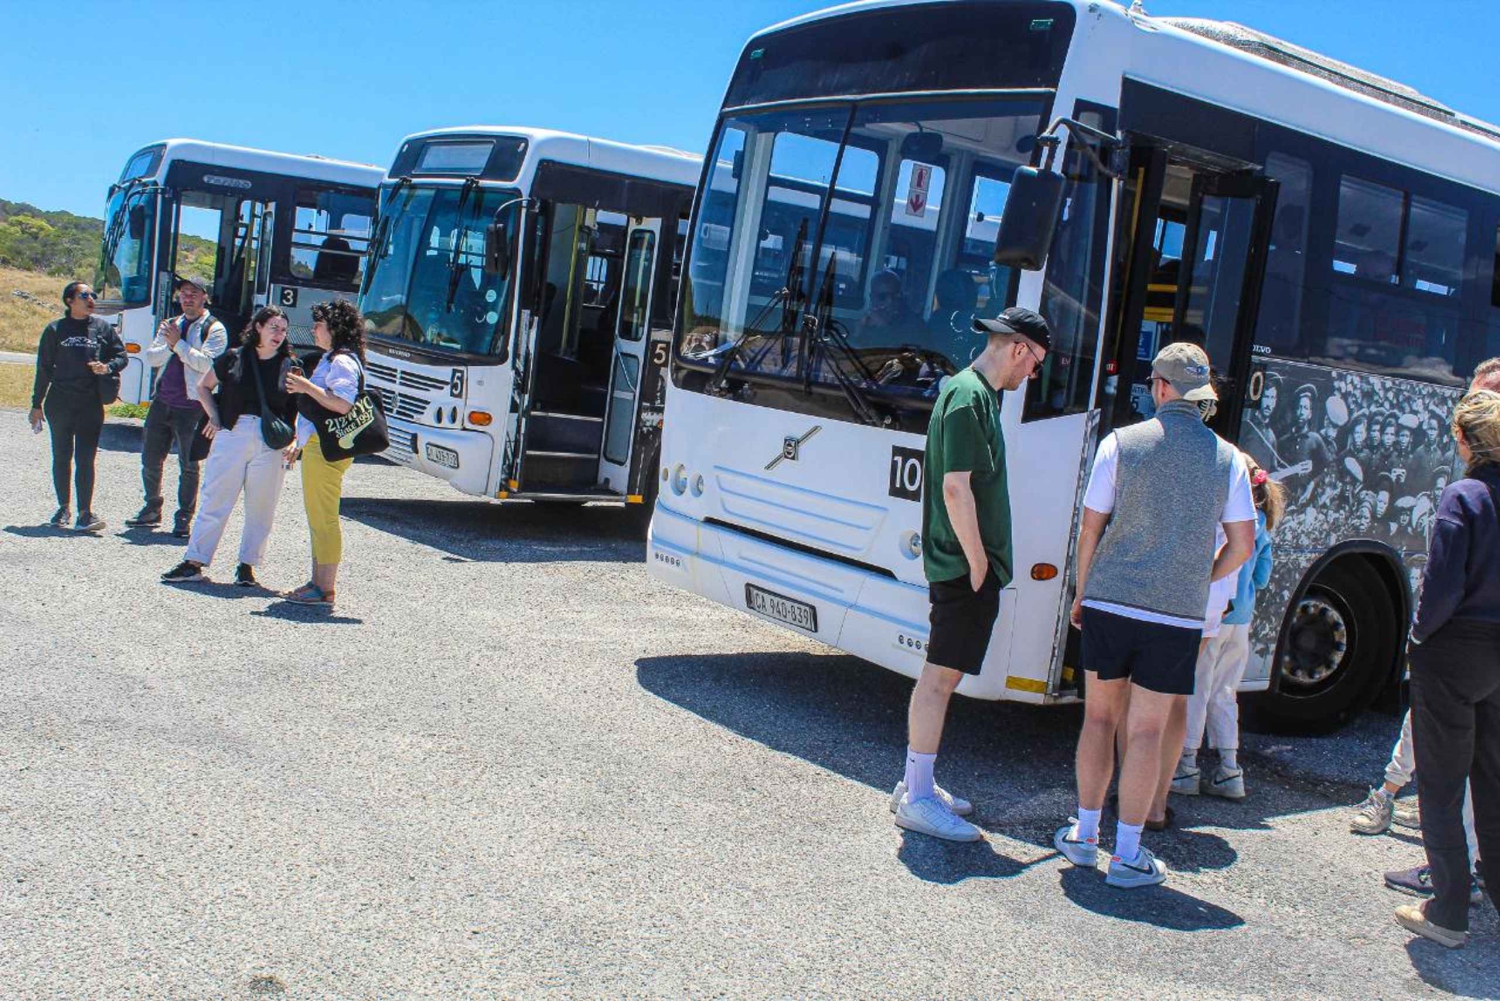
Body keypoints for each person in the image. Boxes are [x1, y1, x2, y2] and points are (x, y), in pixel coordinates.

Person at [1054, 342, 1255, 889]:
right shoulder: (1229, 459)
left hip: (1111, 601)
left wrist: (1083, 591)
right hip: (1176, 615)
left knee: (1099, 720)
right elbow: (1242, 544)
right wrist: (1200, 578)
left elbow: (1090, 526)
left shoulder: (1120, 443)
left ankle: (1084, 836)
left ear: (1161, 389)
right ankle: (1127, 854)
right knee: (1146, 730)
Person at [890, 307, 1050, 841]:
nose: (1033, 375)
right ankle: (916, 798)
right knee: (940, 678)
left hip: (964, 566)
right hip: (963, 568)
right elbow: (955, 487)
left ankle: (916, 782)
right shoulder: (968, 397)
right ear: (1020, 348)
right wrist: (979, 562)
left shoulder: (972, 393)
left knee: (942, 676)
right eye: (1036, 363)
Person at [1393, 389, 1500, 948]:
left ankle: (1448, 911)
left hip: (1455, 648)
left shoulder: (1465, 496)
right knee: (1494, 781)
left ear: (1463, 438)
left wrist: (1417, 637)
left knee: (1440, 783)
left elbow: (1441, 586)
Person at [160, 307, 300, 588]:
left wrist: (295, 440)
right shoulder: (234, 357)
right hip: (233, 431)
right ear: (258, 327)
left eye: (283, 330)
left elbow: (298, 408)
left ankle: (247, 566)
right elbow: (203, 387)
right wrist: (214, 416)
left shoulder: (291, 366)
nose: (279, 334)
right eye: (273, 327)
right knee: (215, 499)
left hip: (271, 440)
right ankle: (194, 561)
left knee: (262, 506)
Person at [1174, 453, 1285, 799]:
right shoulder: (1262, 524)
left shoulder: (1227, 521)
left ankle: (1186, 766)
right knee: (1225, 693)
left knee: (1197, 687)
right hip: (1242, 621)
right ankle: (1229, 770)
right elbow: (1262, 578)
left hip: (1217, 615)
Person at [126, 275, 229, 537]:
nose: (187, 298)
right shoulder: (171, 324)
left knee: (189, 465)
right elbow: (152, 357)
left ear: (205, 296)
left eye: (194, 293)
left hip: (192, 406)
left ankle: (184, 516)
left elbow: (207, 365)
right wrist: (172, 344)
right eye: (183, 293)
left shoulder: (214, 329)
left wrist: (178, 344)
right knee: (150, 459)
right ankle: (152, 507)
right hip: (162, 402)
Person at [283, 299, 367, 608]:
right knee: (318, 517)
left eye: (318, 325)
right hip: (322, 445)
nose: (313, 330)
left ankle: (325, 588)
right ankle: (317, 583)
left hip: (327, 447)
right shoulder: (335, 357)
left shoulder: (341, 360)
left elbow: (342, 403)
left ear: (334, 328)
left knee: (324, 518)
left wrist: (306, 386)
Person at [28, 281, 126, 532]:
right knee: (62, 455)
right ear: (70, 300)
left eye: (93, 294)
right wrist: (36, 404)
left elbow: (121, 356)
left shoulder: (102, 328)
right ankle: (63, 508)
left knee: (86, 458)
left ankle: (85, 513)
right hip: (60, 402)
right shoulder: (55, 329)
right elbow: (43, 368)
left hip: (90, 403)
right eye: (84, 295)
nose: (91, 298)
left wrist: (107, 367)